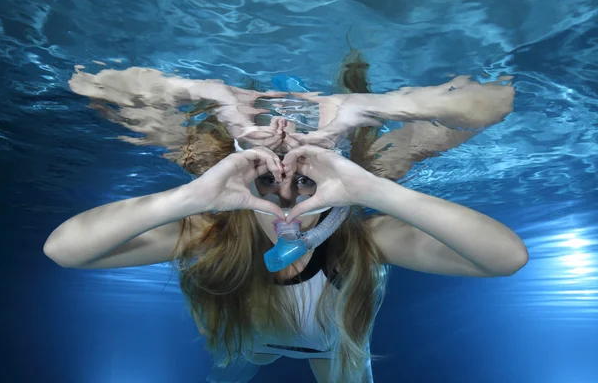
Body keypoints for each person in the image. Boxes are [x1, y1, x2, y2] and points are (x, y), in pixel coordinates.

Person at [44, 53, 528, 383]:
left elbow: (505, 257)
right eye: (267, 182)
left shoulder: (366, 238)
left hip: (336, 356)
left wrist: (368, 152)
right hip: (250, 347)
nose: (285, 203)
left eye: (304, 181)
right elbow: (65, 250)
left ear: (337, 186)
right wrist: (192, 185)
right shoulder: (211, 234)